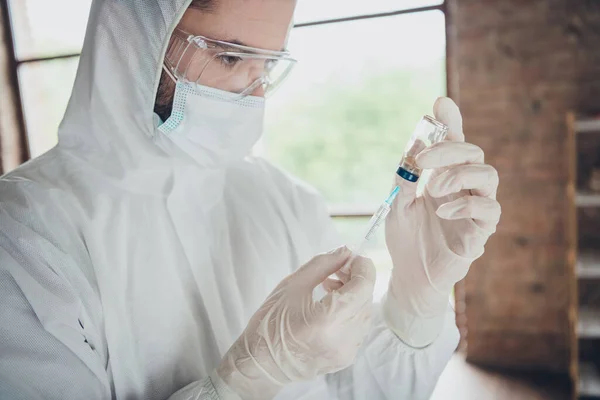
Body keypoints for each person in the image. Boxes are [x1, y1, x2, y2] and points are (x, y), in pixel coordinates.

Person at [0, 0, 501, 399]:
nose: (254, 94)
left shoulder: (285, 200)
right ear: (134, 41)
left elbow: (359, 391)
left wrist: (416, 299)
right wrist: (245, 381)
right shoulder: (24, 232)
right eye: (230, 56)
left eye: (268, 64)